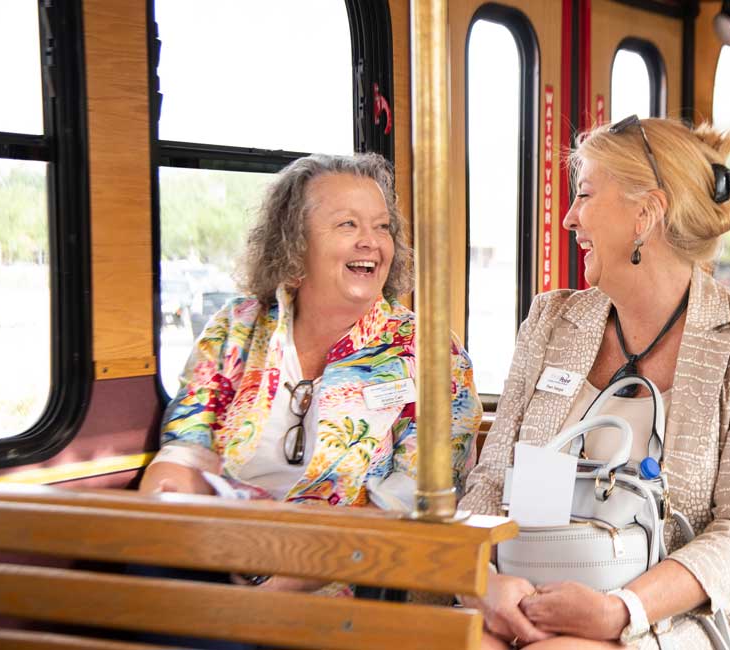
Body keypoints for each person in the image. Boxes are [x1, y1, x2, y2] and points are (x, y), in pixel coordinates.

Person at [459, 117, 730, 649]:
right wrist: (484, 584)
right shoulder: (551, 320)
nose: (569, 217)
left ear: (645, 214)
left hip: (684, 608)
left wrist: (620, 610)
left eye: (585, 195)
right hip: (533, 583)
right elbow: (491, 483)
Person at [141, 152, 482, 592]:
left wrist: (273, 590)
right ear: (295, 241)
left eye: (382, 227)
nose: (371, 242)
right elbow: (186, 451)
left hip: (344, 576)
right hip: (217, 554)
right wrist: (176, 532)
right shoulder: (236, 328)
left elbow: (411, 500)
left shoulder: (430, 353)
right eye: (348, 224)